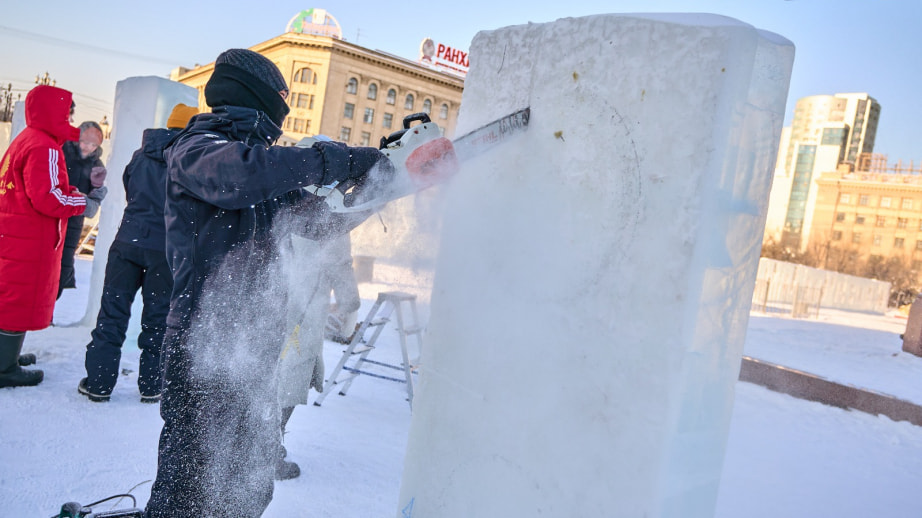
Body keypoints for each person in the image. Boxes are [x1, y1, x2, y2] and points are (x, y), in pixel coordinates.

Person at [145, 48, 391, 517]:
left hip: (255, 350)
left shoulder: (263, 172)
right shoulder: (199, 151)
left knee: (248, 485)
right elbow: (243, 175)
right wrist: (336, 160)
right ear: (257, 101)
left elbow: (320, 224)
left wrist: (386, 186)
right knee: (189, 490)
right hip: (203, 351)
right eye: (280, 106)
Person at [77, 104, 199, 404]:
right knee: (158, 320)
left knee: (112, 315)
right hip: (164, 250)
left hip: (127, 242)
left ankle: (98, 383)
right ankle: (151, 386)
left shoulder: (141, 154)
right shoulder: (191, 159)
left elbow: (129, 187)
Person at [0, 85, 92, 388]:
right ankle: (4, 368)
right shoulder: (45, 147)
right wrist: (79, 201)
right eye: (69, 111)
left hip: (15, 234)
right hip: (30, 240)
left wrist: (66, 192)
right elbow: (48, 198)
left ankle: (7, 357)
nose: (71, 118)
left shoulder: (26, 138)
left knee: (10, 298)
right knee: (18, 299)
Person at [275, 231, 362, 480]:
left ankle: (255, 446)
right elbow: (338, 260)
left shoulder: (284, 194)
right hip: (303, 299)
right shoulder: (329, 201)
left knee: (270, 371)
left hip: (271, 290)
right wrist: (350, 305)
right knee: (290, 374)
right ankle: (266, 453)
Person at [58, 121, 108, 299]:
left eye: (94, 145)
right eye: (86, 142)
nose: (89, 148)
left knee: (63, 264)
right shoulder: (60, 152)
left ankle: (49, 310)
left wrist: (83, 199)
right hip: (51, 217)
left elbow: (94, 204)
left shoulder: (97, 166)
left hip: (73, 221)